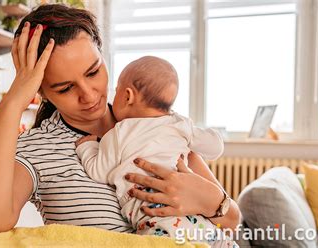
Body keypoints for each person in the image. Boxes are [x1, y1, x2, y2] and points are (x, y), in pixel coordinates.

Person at [0, 4, 241, 241]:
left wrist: (211, 200)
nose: (89, 95)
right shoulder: (38, 148)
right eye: (65, 88)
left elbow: (232, 221)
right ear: (40, 91)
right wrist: (13, 102)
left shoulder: (153, 121)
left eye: (93, 72)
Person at [74, 56, 233, 246]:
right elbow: (216, 147)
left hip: (156, 219)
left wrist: (87, 146)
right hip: (196, 219)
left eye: (116, 91)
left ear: (127, 96)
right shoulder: (180, 124)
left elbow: (98, 171)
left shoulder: (118, 133)